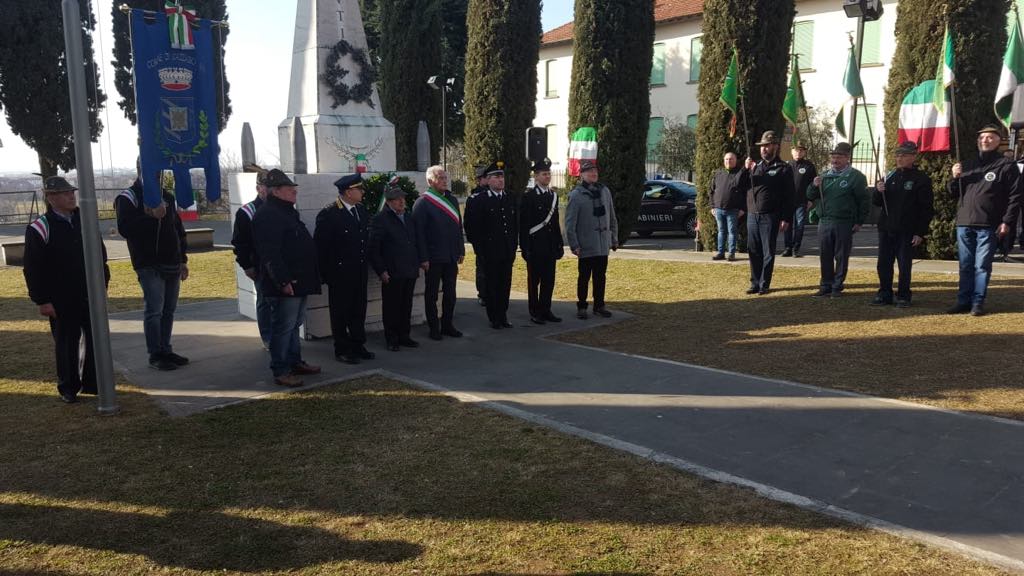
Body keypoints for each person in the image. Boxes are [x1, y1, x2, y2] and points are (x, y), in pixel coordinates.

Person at [23, 176, 110, 403]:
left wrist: (103, 285)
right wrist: (42, 300)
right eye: (64, 193)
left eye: (72, 192)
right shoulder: (40, 228)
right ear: (51, 198)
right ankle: (68, 387)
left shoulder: (85, 220)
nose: (71, 196)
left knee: (94, 339)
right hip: (61, 298)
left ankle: (93, 383)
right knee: (66, 343)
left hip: (89, 293)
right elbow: (33, 268)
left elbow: (100, 255)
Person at [252, 169, 322, 387]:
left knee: (293, 325)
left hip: (300, 280)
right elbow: (270, 253)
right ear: (276, 191)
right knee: (283, 327)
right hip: (287, 283)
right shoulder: (268, 215)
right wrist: (282, 281)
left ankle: (294, 361)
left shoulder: (287, 211)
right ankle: (281, 369)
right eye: (288, 188)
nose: (294, 191)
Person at [115, 166, 189, 371]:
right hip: (148, 263)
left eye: (160, 171)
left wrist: (182, 258)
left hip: (172, 261)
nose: (157, 175)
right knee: (154, 310)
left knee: (168, 310)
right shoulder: (129, 197)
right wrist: (151, 217)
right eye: (153, 169)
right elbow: (125, 228)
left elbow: (177, 229)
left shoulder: (167, 196)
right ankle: (155, 354)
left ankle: (166, 349)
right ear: (141, 168)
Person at [948, 124, 1023, 316]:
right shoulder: (968, 164)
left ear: (998, 141)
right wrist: (954, 178)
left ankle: (977, 302)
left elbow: (1015, 197)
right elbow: (953, 193)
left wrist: (1007, 221)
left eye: (990, 137)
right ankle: (963, 301)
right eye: (982, 138)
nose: (985, 140)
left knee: (981, 266)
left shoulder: (1006, 166)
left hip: (989, 225)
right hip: (964, 223)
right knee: (965, 265)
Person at [315, 173, 373, 364]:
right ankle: (342, 348)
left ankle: (358, 344)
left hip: (359, 272)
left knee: (359, 309)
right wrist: (327, 275)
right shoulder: (329, 214)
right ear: (349, 192)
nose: (362, 191)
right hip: (340, 274)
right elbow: (321, 248)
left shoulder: (361, 211)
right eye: (359, 188)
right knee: (340, 312)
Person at [872, 141, 934, 307]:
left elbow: (926, 208)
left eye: (904, 155)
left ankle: (903, 295)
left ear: (913, 156)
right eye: (898, 155)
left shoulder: (921, 179)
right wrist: (878, 190)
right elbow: (877, 202)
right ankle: (884, 293)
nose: (900, 158)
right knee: (883, 263)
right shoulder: (889, 175)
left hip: (907, 229)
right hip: (886, 227)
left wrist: (920, 232)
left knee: (904, 264)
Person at [806, 142, 868, 297]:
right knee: (825, 254)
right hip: (824, 221)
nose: (835, 159)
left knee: (841, 255)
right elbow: (810, 195)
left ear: (847, 158)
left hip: (844, 222)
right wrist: (814, 185)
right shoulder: (824, 175)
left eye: (839, 156)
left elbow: (863, 201)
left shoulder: (856, 177)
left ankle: (837, 285)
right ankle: (825, 284)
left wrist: (859, 221)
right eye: (833, 156)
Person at [413, 165, 465, 339]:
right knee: (432, 294)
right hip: (433, 258)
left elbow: (458, 227)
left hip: (451, 255)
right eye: (440, 178)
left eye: (445, 177)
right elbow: (419, 234)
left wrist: (461, 249)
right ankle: (434, 327)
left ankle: (447, 325)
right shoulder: (422, 203)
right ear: (430, 181)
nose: (444, 180)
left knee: (450, 293)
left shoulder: (452, 200)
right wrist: (423, 258)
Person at [465, 161, 518, 329]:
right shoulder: (479, 200)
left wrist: (513, 246)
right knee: (492, 285)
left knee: (505, 285)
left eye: (502, 176)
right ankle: (493, 317)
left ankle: (503, 315)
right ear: (488, 180)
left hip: (506, 251)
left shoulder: (509, 198)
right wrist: (480, 251)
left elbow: (513, 225)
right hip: (489, 252)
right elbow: (472, 228)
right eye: (496, 177)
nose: (500, 180)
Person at [369, 183, 421, 351]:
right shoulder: (380, 219)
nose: (401, 202)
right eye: (397, 199)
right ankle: (391, 338)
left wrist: (420, 260)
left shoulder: (408, 217)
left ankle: (404, 335)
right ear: (389, 202)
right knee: (392, 306)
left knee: (406, 305)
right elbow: (374, 249)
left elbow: (415, 241)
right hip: (392, 271)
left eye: (402, 198)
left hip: (409, 269)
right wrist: (381, 271)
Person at [565, 160, 618, 319]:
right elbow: (570, 223)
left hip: (602, 244)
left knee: (600, 277)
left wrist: (614, 238)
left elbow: (612, 217)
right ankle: (582, 306)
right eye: (589, 172)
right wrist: (574, 244)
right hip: (586, 245)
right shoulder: (576, 195)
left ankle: (599, 305)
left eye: (595, 171)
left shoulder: (605, 191)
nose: (593, 174)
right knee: (584, 277)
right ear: (581, 175)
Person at [743, 131, 793, 295]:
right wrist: (745, 169)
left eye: (767, 146)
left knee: (767, 252)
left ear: (775, 146)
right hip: (752, 215)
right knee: (753, 250)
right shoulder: (754, 167)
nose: (764, 149)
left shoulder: (783, 168)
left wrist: (786, 217)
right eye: (762, 146)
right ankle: (755, 282)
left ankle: (764, 284)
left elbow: (789, 195)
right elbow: (741, 186)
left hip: (770, 216)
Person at [520, 158, 565, 324]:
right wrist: (525, 248)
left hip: (550, 246)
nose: (547, 177)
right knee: (534, 282)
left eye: (549, 174)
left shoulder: (553, 196)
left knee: (549, 280)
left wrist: (559, 244)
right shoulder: (529, 197)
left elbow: (555, 222)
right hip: (535, 246)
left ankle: (546, 309)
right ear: (536, 176)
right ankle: (534, 311)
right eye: (544, 174)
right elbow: (524, 225)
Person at [231, 164, 271, 348]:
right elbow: (240, 243)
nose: (269, 190)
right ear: (258, 188)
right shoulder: (247, 212)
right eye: (266, 186)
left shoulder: (282, 208)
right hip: (260, 266)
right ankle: (268, 338)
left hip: (279, 265)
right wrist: (247, 265)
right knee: (264, 300)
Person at [708, 151, 748, 261]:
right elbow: (711, 191)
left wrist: (743, 208)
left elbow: (746, 193)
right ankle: (720, 252)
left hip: (733, 210)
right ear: (723, 161)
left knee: (732, 232)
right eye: (726, 159)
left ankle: (731, 253)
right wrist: (712, 206)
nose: (728, 161)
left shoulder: (740, 173)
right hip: (718, 209)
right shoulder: (718, 173)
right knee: (721, 231)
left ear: (736, 161)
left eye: (731, 159)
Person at [785, 141, 817, 257]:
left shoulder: (809, 166)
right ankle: (787, 247)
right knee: (787, 225)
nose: (798, 152)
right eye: (796, 150)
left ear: (804, 152)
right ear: (792, 152)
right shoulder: (787, 165)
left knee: (799, 225)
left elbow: (814, 184)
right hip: (788, 201)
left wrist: (811, 200)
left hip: (802, 201)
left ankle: (796, 248)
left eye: (801, 150)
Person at [465, 165, 489, 307]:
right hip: (481, 241)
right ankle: (483, 294)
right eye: (487, 177)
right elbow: (469, 222)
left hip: (494, 241)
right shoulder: (474, 198)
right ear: (480, 180)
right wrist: (474, 240)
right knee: (482, 269)